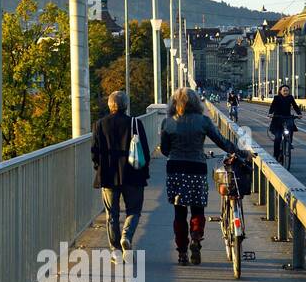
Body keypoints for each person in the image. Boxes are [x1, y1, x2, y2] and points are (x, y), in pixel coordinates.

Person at [159, 87, 243, 266]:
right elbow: (221, 141)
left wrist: (176, 152)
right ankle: (196, 237)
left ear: (174, 103)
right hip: (197, 168)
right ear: (196, 103)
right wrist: (239, 152)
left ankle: (182, 253)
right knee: (198, 209)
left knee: (179, 212)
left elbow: (165, 150)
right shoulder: (203, 121)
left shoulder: (167, 123)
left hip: (175, 169)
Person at [91, 91, 150, 264]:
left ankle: (115, 250)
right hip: (133, 175)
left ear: (110, 105)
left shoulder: (100, 124)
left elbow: (94, 152)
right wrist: (144, 172)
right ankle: (127, 235)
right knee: (134, 210)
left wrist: (99, 168)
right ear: (126, 105)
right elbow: (144, 151)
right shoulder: (135, 123)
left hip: (108, 175)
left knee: (112, 214)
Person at [267, 85, 303, 160]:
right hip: (277, 118)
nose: (286, 92)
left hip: (287, 117)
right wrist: (270, 113)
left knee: (290, 127)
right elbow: (272, 106)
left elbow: (295, 106)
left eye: (287, 90)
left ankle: (289, 143)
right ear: (280, 91)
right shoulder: (277, 98)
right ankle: (276, 154)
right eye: (284, 90)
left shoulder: (290, 97)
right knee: (278, 137)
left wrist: (299, 113)